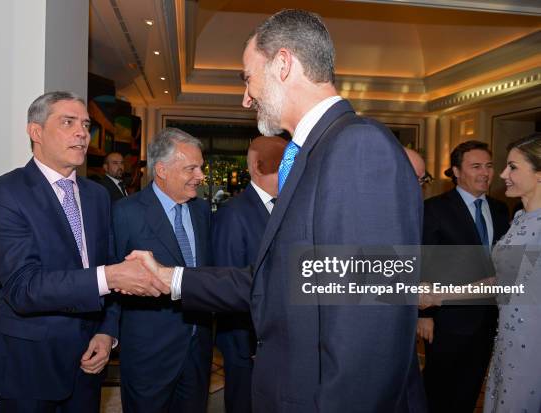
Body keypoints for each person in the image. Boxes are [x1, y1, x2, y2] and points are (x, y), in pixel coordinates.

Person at [129, 9, 425, 412]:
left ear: (283, 64)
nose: (245, 97)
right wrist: (170, 279)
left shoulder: (357, 148)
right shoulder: (314, 152)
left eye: (248, 78)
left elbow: (368, 328)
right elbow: (273, 280)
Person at [0, 91, 167, 412]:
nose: (82, 133)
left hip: (87, 363)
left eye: (85, 124)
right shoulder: (3, 192)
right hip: (29, 366)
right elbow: (23, 288)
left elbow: (107, 267)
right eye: (68, 122)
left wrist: (107, 333)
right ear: (36, 132)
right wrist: (109, 276)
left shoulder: (96, 195)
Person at [112, 128, 213, 413]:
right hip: (149, 355)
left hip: (198, 349)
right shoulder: (126, 212)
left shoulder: (202, 211)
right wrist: (106, 333)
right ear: (162, 170)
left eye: (200, 167)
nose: (201, 176)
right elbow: (112, 279)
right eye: (191, 168)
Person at [418, 140, 510, 413]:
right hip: (447, 317)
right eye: (476, 166)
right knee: (438, 389)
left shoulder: (499, 209)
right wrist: (424, 315)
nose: (485, 173)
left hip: (489, 319)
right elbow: (424, 262)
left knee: (469, 389)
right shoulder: (434, 208)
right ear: (456, 171)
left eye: (489, 166)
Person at [212, 136, 287, 413]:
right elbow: (229, 284)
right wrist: (251, 342)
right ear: (258, 166)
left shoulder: (287, 207)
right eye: (283, 164)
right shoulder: (234, 213)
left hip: (278, 336)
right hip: (247, 341)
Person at [483, 133, 541, 412]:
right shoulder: (518, 218)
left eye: (513, 167)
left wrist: (439, 295)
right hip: (509, 337)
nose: (503, 174)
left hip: (533, 342)